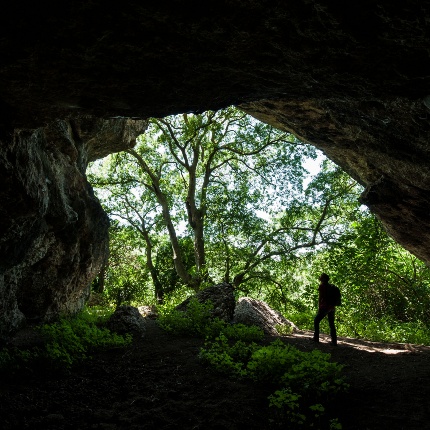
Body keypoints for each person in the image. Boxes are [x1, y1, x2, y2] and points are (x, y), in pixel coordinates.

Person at [313, 273, 337, 346]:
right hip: (332, 307)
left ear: (323, 279)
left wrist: (319, 307)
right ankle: (334, 341)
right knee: (331, 324)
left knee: (316, 321)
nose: (319, 277)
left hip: (325, 307)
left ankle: (316, 338)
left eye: (321, 276)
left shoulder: (322, 286)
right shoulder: (331, 286)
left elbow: (320, 298)